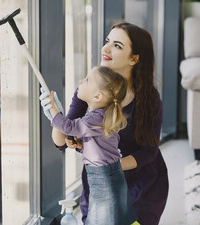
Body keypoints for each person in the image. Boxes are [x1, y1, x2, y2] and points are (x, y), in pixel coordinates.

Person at [40, 21, 168, 225]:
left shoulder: (149, 99)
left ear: (134, 58)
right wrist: (55, 114)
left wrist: (110, 166)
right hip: (100, 184)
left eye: (117, 46)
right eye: (107, 41)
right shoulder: (90, 88)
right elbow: (61, 142)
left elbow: (148, 153)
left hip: (142, 185)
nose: (106, 49)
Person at [46, 66, 138, 224]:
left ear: (97, 96)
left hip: (103, 179)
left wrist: (54, 110)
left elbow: (68, 127)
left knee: (103, 218)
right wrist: (82, 146)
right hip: (111, 175)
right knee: (115, 215)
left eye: (87, 80)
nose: (81, 81)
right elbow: (102, 150)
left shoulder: (94, 119)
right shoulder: (102, 117)